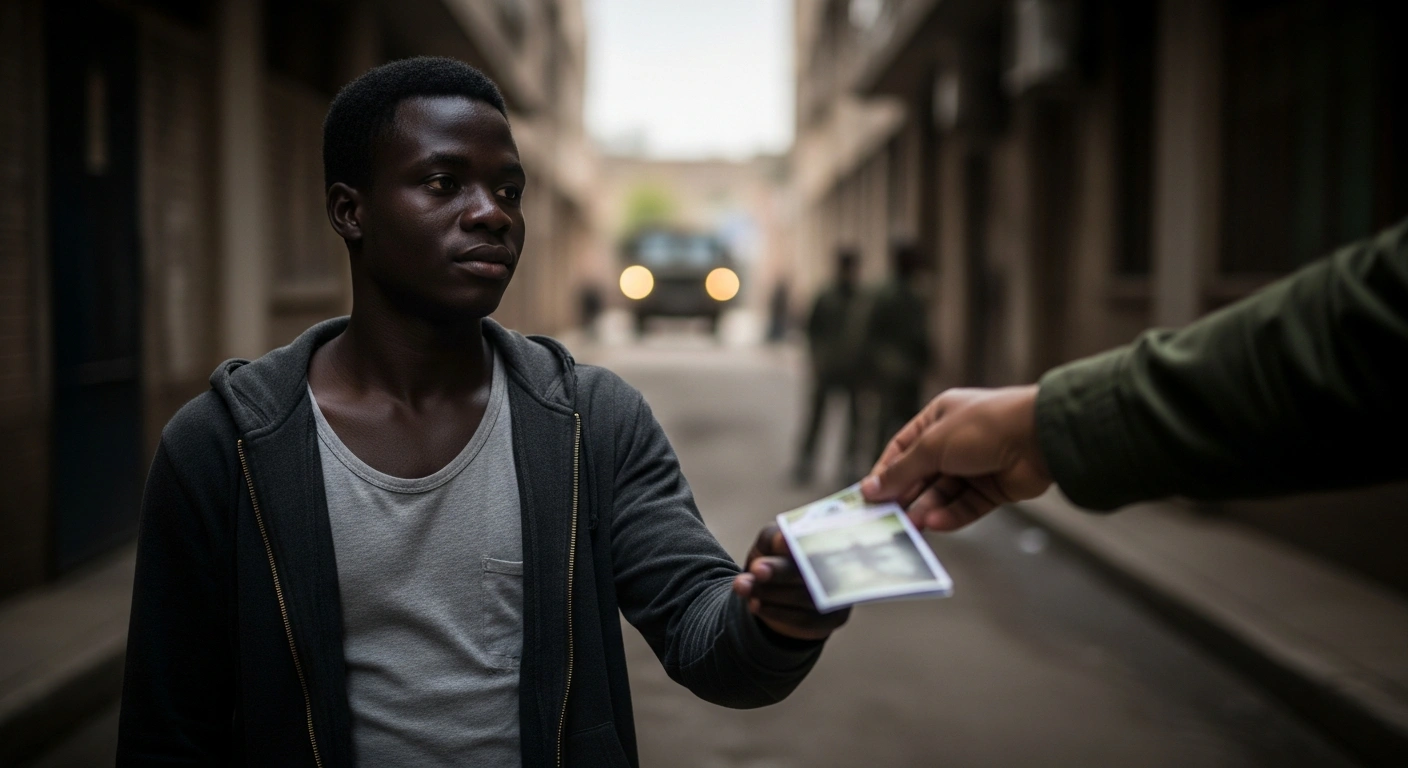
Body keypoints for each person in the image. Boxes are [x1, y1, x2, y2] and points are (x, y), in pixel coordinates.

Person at [117, 57, 845, 766]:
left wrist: (772, 619)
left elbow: (704, 631)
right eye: (443, 183)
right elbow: (170, 732)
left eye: (508, 190)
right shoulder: (226, 445)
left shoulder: (591, 422)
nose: (491, 214)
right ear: (351, 210)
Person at [860, 218, 1408, 531]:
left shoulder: (913, 291)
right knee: (890, 436)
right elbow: (1353, 336)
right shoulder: (888, 294)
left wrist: (1040, 427)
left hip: (919, 376)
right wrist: (1042, 425)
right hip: (895, 375)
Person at [794, 249, 863, 484]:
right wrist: (816, 361)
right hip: (827, 367)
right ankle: (805, 463)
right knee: (816, 417)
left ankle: (850, 466)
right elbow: (812, 330)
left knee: (854, 420)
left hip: (853, 369)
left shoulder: (861, 297)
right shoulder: (826, 296)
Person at [863, 241, 932, 464]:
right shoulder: (885, 294)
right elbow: (871, 334)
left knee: (912, 426)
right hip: (890, 373)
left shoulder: (914, 293)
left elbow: (919, 333)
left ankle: (907, 469)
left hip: (910, 371)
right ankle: (878, 469)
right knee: (885, 424)